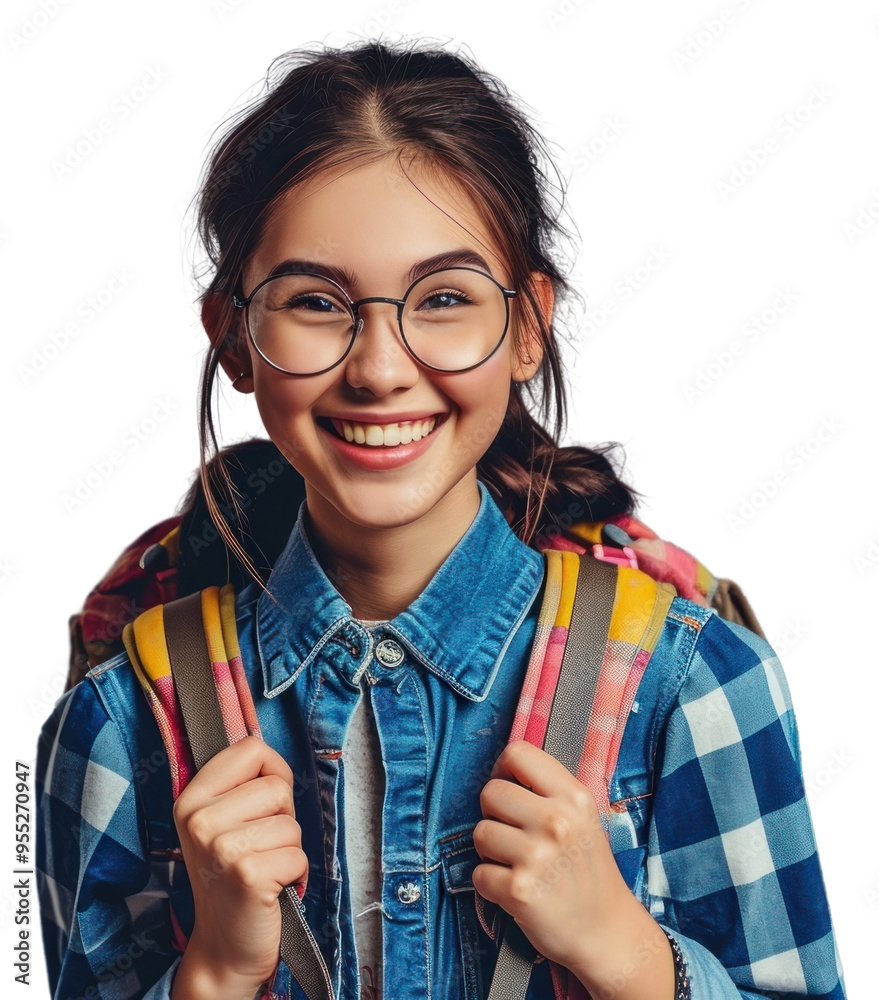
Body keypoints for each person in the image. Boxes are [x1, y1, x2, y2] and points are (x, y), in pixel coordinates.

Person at [35, 37, 846, 1000]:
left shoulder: (693, 688)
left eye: (446, 298)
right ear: (235, 336)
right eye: (315, 302)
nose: (380, 368)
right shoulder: (122, 717)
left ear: (528, 327)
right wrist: (210, 974)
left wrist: (624, 953)